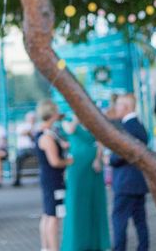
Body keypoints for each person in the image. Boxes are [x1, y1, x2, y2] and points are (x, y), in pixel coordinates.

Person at [61, 116, 110, 251]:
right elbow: (70, 130)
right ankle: (76, 243)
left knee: (95, 202)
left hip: (93, 167)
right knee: (76, 203)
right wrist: (77, 118)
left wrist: (98, 158)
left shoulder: (92, 121)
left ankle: (96, 242)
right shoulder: (67, 120)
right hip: (77, 167)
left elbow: (100, 141)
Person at [110, 94, 149, 251]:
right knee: (140, 221)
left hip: (126, 182)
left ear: (126, 107)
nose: (115, 108)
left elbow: (120, 156)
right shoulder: (139, 126)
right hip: (138, 182)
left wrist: (110, 159)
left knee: (119, 220)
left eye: (118, 105)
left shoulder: (127, 128)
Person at [35, 99, 73, 251]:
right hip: (53, 180)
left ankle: (46, 248)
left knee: (47, 214)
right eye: (56, 112)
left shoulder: (45, 132)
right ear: (51, 114)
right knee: (53, 217)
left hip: (47, 178)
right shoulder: (47, 137)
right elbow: (55, 162)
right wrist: (70, 161)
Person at [13, 111, 38, 187]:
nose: (32, 120)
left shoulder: (38, 126)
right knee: (18, 159)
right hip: (23, 149)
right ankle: (17, 180)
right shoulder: (22, 126)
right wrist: (31, 129)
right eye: (31, 118)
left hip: (34, 149)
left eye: (33, 118)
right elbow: (23, 133)